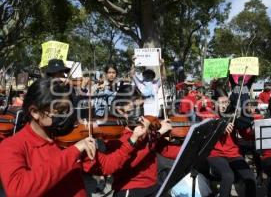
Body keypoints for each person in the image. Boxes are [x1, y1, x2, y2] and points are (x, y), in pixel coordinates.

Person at [0, 78, 147, 197]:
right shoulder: (11, 146)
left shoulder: (71, 138)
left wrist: (132, 140)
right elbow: (19, 190)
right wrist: (73, 152)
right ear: (35, 112)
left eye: (67, 110)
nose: (66, 116)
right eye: (59, 110)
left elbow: (107, 166)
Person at [106, 85, 181, 197]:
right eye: (134, 107)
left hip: (153, 185)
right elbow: (131, 162)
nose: (140, 111)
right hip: (130, 189)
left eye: (141, 106)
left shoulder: (148, 128)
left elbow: (165, 149)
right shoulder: (114, 136)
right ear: (120, 110)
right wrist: (158, 134)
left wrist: (192, 147)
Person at [207, 88, 256, 197]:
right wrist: (221, 128)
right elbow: (209, 132)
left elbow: (245, 134)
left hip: (233, 154)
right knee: (228, 175)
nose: (224, 105)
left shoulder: (233, 115)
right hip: (215, 154)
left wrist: (254, 130)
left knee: (250, 178)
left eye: (226, 102)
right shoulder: (210, 115)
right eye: (221, 102)